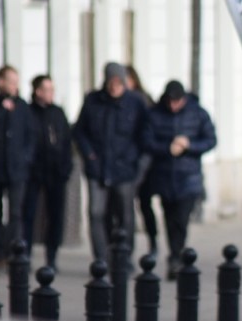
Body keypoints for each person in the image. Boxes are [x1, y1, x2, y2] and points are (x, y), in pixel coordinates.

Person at [141, 80, 216, 279]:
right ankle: (175, 257)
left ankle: (176, 256)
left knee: (181, 220)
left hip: (188, 177)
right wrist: (168, 148)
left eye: (177, 101)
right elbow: (147, 141)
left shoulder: (197, 113)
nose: (173, 105)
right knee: (169, 218)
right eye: (170, 101)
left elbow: (210, 140)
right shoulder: (156, 114)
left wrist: (189, 145)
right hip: (164, 176)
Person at [73, 61, 146, 267]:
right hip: (98, 169)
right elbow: (79, 132)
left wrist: (136, 160)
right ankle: (101, 258)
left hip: (124, 169)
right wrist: (89, 155)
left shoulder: (135, 102)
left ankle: (125, 257)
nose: (114, 86)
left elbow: (145, 134)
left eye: (118, 82)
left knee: (125, 215)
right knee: (96, 213)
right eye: (111, 82)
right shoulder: (93, 101)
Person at [0, 65, 34, 274]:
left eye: (16, 81)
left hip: (16, 169)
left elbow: (31, 135)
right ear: (0, 82)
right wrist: (3, 109)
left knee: (15, 214)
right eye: (11, 81)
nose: (15, 86)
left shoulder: (22, 106)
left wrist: (25, 158)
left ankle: (15, 254)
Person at [23, 74, 73, 270]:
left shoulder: (58, 113)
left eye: (52, 89)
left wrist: (66, 167)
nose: (51, 93)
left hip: (56, 171)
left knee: (55, 215)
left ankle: (52, 257)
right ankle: (24, 255)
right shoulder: (28, 112)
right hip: (33, 171)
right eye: (48, 89)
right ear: (38, 91)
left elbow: (67, 141)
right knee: (29, 214)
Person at [127, 65, 160, 257]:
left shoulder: (142, 100)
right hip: (126, 164)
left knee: (145, 205)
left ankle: (153, 242)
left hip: (145, 163)